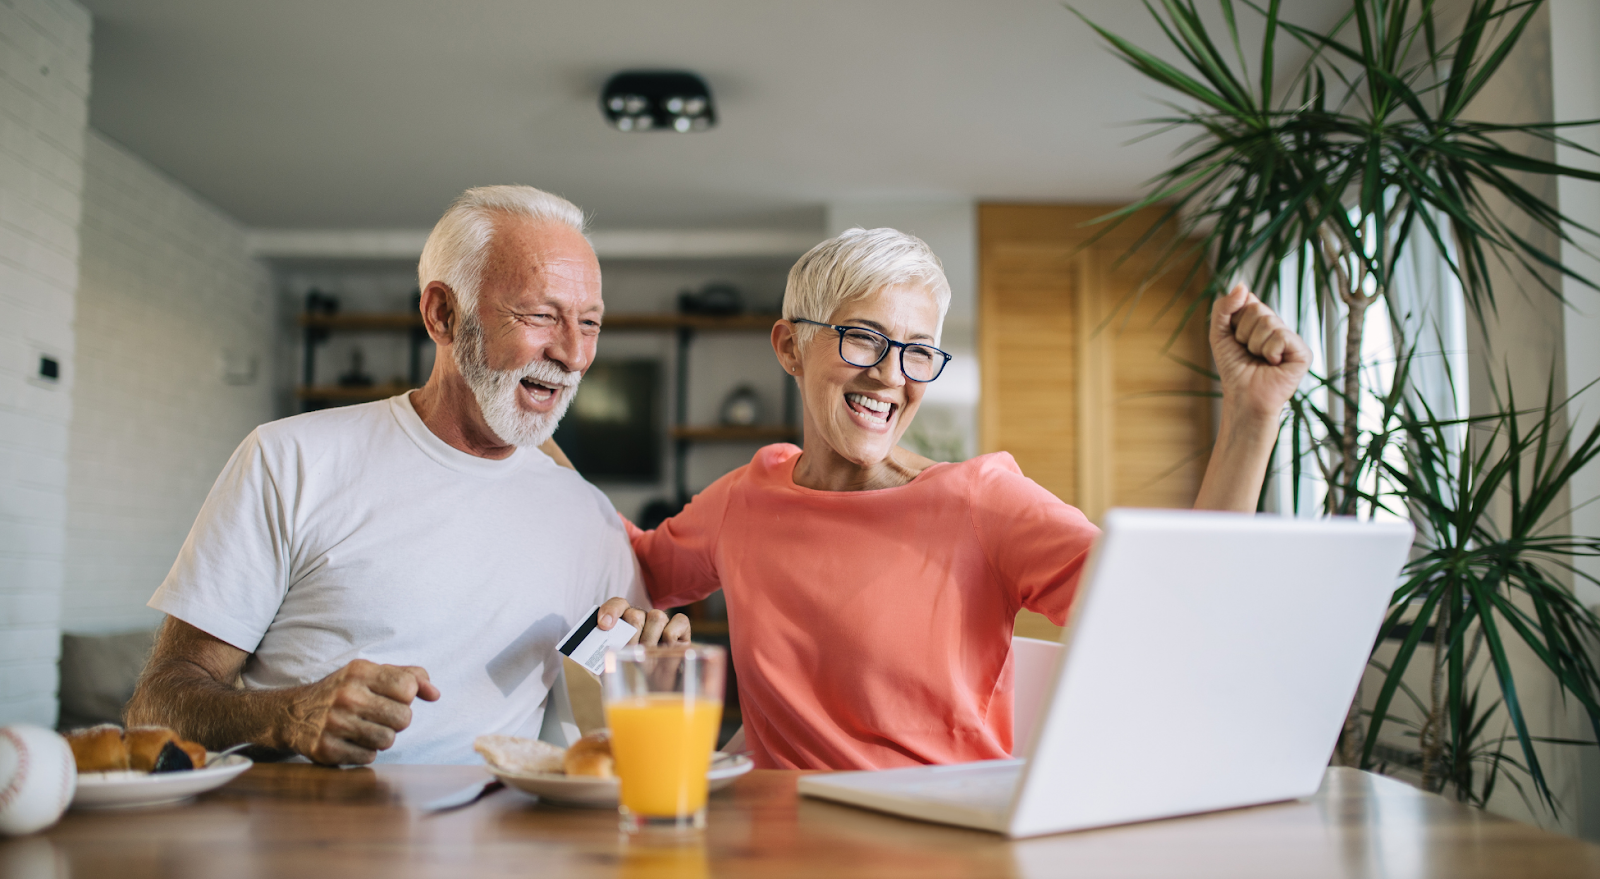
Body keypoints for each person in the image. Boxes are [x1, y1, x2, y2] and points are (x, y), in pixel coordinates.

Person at [624, 228, 1309, 770]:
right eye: (864, 337)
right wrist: (528, 431)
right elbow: (635, 564)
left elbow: (1173, 619)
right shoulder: (746, 499)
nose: (891, 375)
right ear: (790, 347)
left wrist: (1251, 418)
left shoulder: (982, 502)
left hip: (945, 845)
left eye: (918, 351)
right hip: (782, 846)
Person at [126, 186, 689, 765]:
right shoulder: (290, 459)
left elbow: (612, 727)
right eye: (540, 315)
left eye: (590, 323)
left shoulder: (589, 517)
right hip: (305, 842)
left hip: (503, 845)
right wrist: (288, 716)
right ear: (442, 314)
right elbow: (158, 706)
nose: (573, 355)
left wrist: (655, 672)